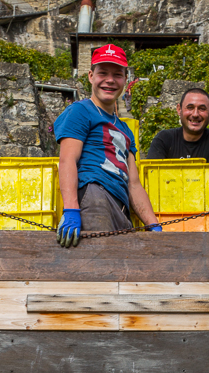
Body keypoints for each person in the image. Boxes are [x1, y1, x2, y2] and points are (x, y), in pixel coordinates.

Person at [53, 44, 163, 247]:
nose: (110, 80)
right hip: (95, 197)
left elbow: (134, 184)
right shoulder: (80, 111)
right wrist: (71, 210)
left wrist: (153, 225)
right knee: (99, 268)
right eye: (102, 73)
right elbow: (67, 159)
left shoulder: (125, 129)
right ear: (90, 76)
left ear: (125, 80)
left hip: (121, 207)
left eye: (117, 75)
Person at [144, 86, 209, 197]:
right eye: (190, 107)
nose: (195, 114)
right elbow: (152, 177)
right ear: (179, 109)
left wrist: (195, 200)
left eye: (202, 109)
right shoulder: (164, 139)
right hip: (169, 208)